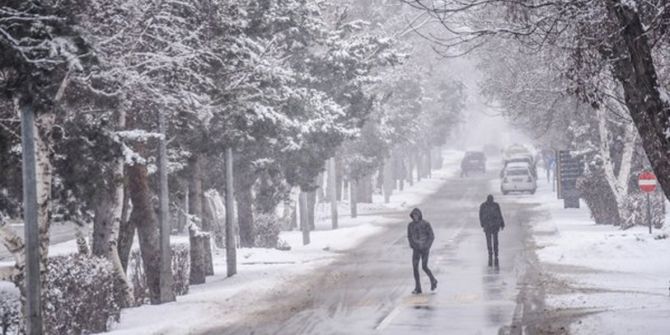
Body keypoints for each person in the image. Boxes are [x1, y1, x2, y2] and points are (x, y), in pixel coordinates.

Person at [407, 208, 437, 294]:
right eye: (414, 215)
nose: (415, 217)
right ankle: (418, 287)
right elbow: (409, 236)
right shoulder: (410, 225)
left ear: (420, 215)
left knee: (424, 266)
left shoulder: (425, 224)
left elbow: (431, 236)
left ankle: (433, 280)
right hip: (416, 249)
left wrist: (427, 246)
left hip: (424, 249)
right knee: (415, 268)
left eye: (417, 215)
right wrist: (412, 245)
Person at [479, 195, 505, 267]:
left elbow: (480, 215)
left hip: (489, 226)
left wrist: (482, 224)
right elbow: (500, 215)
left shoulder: (484, 206)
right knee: (495, 241)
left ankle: (491, 253)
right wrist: (502, 223)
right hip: (494, 226)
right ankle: (494, 253)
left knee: (490, 241)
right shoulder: (495, 205)